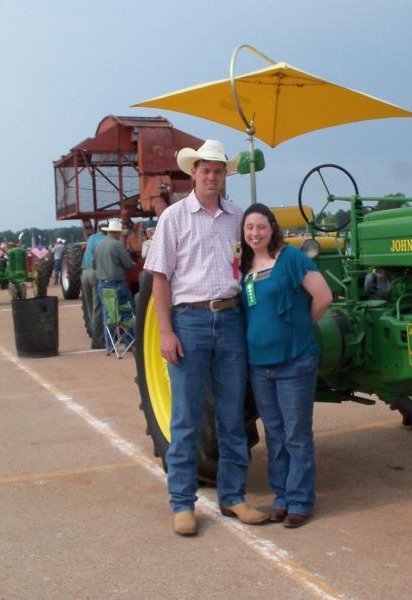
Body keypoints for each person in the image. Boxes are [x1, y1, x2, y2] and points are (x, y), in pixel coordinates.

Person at [144, 139, 267, 536]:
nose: (211, 176)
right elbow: (159, 277)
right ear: (192, 172)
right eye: (205, 170)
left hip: (230, 321)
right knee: (185, 418)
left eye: (218, 170)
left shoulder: (237, 217)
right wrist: (165, 331)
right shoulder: (175, 218)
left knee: (232, 418)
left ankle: (233, 497)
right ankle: (182, 503)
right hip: (190, 322)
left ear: (225, 175)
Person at [239, 203, 333, 528]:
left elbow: (323, 296)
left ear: (272, 228)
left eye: (261, 227)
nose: (255, 233)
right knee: (275, 434)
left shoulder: (291, 258)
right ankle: (281, 497)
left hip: (294, 362)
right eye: (250, 228)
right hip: (259, 366)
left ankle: (301, 501)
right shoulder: (245, 266)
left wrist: (300, 328)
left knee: (296, 434)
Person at [92, 218, 134, 353]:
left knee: (109, 315)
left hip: (103, 284)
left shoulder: (98, 245)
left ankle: (109, 345)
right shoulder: (117, 245)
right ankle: (130, 342)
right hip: (117, 284)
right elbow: (127, 264)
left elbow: (93, 265)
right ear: (117, 232)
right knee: (127, 313)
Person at [81, 227, 107, 350]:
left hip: (84, 273)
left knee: (89, 307)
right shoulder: (105, 240)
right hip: (95, 273)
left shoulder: (92, 238)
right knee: (98, 308)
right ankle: (97, 341)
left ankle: (93, 333)